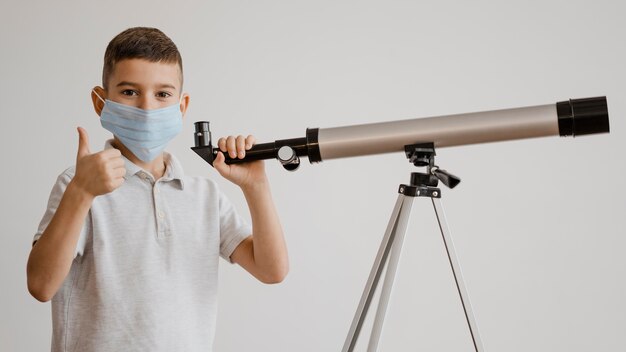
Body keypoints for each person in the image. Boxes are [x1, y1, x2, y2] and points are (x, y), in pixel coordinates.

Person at [26, 27, 289, 352]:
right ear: (100, 102)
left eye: (163, 94)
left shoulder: (204, 196)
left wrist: (256, 186)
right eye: (129, 92)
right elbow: (40, 285)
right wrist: (81, 192)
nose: (147, 107)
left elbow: (272, 269)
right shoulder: (78, 184)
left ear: (182, 105)